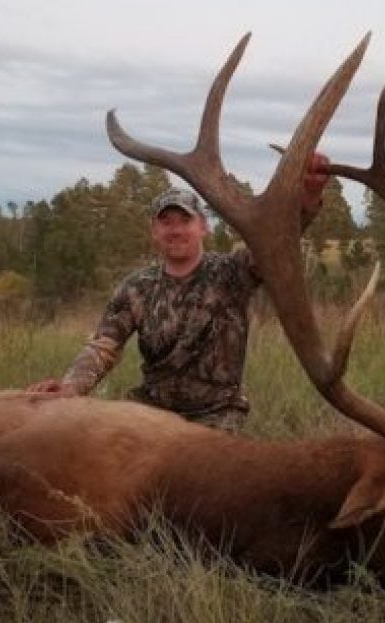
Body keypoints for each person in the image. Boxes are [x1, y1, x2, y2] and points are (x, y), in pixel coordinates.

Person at [28, 153, 329, 430]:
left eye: (185, 220)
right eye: (166, 222)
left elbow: (277, 241)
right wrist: (70, 388)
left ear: (204, 228)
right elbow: (103, 346)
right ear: (154, 232)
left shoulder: (233, 272)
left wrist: (308, 196)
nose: (175, 230)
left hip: (216, 415)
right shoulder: (137, 288)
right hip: (151, 411)